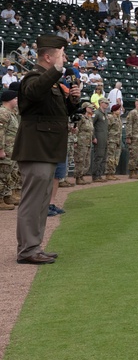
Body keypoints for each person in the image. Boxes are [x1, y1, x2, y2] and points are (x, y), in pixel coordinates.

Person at [15, 34, 81, 264]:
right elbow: (33, 92)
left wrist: (72, 101)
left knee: (42, 202)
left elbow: (56, 114)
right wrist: (57, 70)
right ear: (47, 57)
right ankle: (27, 250)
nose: (65, 59)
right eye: (61, 55)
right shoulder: (33, 77)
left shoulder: (50, 82)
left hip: (47, 149)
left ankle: (33, 246)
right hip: (36, 148)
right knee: (33, 201)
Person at [0, 88, 21, 210]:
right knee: (2, 174)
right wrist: (0, 149)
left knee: (8, 174)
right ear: (9, 100)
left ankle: (6, 196)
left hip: (11, 149)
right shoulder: (3, 113)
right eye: (15, 98)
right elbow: (0, 132)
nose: (17, 100)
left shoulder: (10, 113)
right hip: (6, 149)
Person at [72, 102, 95, 186]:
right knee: (80, 160)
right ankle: (78, 177)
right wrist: (75, 141)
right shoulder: (81, 118)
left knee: (86, 161)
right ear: (85, 108)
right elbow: (76, 129)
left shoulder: (89, 118)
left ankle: (82, 176)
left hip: (88, 142)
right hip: (81, 142)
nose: (92, 109)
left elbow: (91, 130)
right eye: (90, 108)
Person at [90, 97, 110, 183]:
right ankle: (95, 175)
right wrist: (93, 137)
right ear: (101, 103)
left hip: (104, 137)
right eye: (105, 103)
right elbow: (91, 125)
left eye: (107, 103)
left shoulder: (105, 113)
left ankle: (100, 174)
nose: (107, 105)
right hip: (99, 137)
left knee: (104, 157)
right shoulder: (97, 113)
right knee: (98, 156)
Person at [104, 103, 123, 180]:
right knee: (110, 157)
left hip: (117, 140)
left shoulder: (118, 119)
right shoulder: (110, 118)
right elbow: (107, 129)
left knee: (116, 158)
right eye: (118, 110)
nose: (119, 111)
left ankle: (112, 172)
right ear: (114, 111)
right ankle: (108, 173)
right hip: (111, 140)